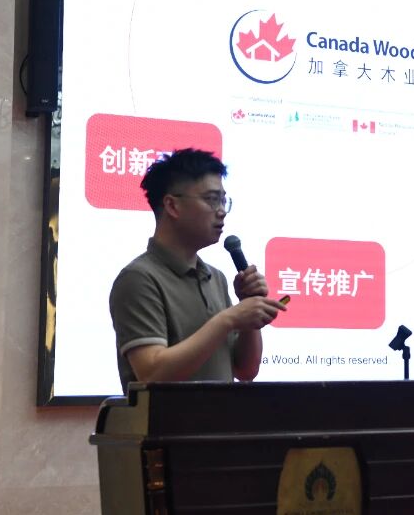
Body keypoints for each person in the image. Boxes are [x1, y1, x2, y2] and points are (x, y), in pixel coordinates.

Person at [109, 148, 284, 389]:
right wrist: (229, 319)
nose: (221, 211)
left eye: (223, 200)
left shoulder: (216, 278)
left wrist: (249, 309)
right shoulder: (139, 278)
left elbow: (246, 370)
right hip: (164, 416)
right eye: (211, 199)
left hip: (222, 415)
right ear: (172, 206)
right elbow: (152, 373)